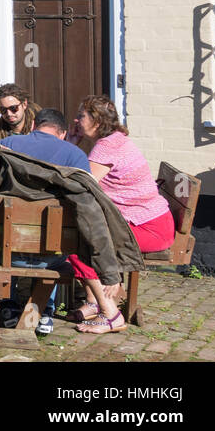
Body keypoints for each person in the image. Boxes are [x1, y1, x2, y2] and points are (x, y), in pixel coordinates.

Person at [64, 95, 175, 334]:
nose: (76, 119)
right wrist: (75, 143)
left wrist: (71, 145)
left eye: (81, 115)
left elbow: (81, 183)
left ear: (96, 120)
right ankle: (95, 302)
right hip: (150, 222)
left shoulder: (108, 146)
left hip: (149, 228)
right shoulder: (114, 140)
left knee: (78, 245)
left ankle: (111, 315)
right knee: (81, 237)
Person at [0, 107, 86, 333]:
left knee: (5, 232)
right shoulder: (75, 155)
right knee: (56, 238)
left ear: (33, 125)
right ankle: (45, 310)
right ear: (62, 133)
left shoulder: (8, 145)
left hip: (5, 251)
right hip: (51, 256)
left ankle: (8, 305)